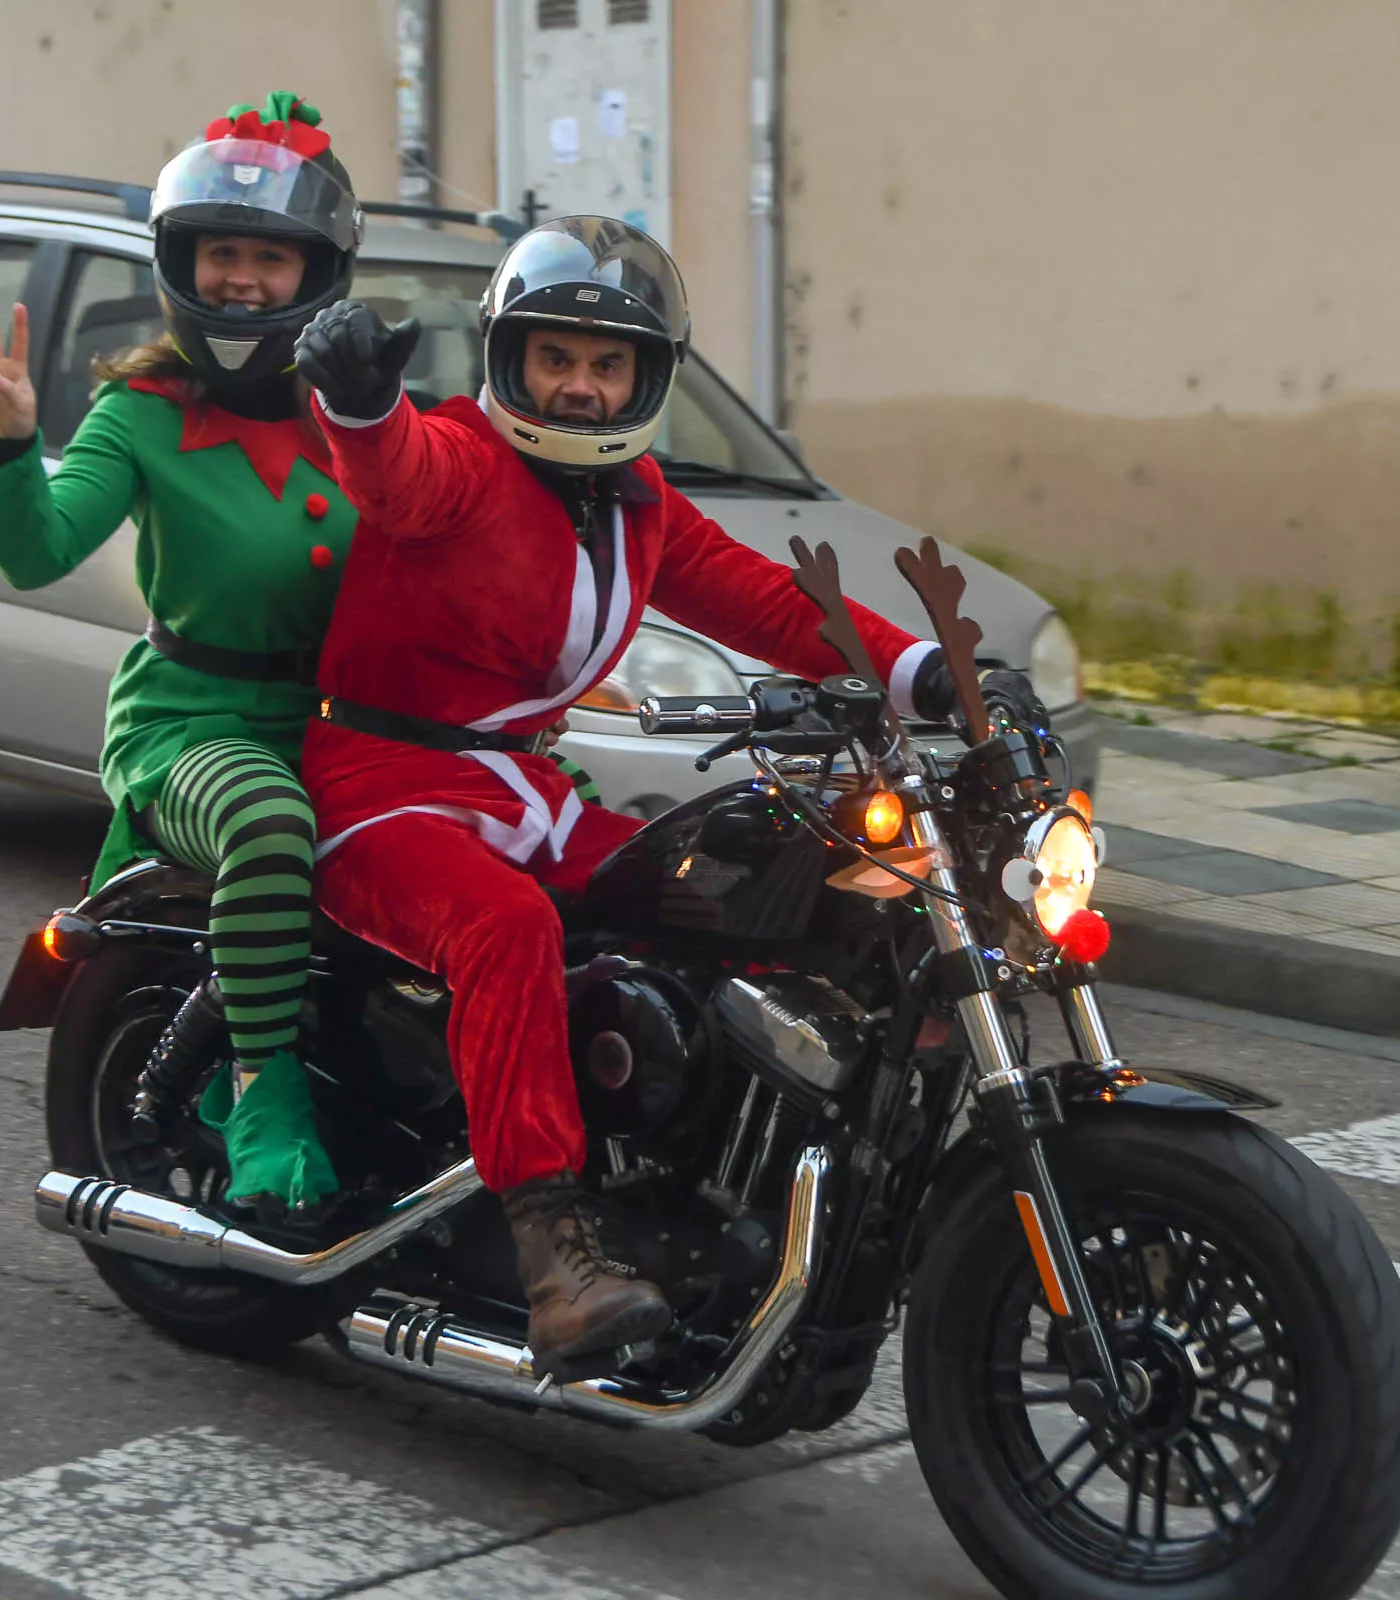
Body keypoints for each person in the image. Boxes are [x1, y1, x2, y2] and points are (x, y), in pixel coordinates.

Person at [294, 215, 963, 1371]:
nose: (583, 389)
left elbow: (764, 598)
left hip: (518, 789)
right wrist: (360, 406)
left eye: (609, 366)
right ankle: (552, 1246)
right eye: (556, 359)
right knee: (507, 927)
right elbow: (396, 475)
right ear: (513, 361)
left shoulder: (640, 504)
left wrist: (920, 671)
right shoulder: (466, 460)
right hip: (386, 788)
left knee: (714, 881)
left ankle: (689, 1168)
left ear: (646, 378)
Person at [0, 93, 360, 1214]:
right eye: (222, 252)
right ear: (184, 263)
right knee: (271, 826)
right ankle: (264, 1096)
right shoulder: (140, 414)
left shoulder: (359, 415)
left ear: (315, 271)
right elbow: (41, 547)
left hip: (344, 728)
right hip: (194, 725)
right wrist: (6, 446)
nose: (242, 279)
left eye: (269, 258)